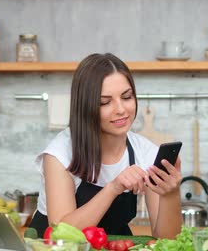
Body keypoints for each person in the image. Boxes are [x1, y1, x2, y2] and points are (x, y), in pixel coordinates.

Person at [29, 53, 183, 239]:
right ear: (86, 107)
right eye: (105, 102)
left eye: (126, 97)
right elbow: (61, 235)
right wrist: (113, 188)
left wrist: (171, 193)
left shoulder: (144, 152)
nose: (120, 109)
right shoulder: (59, 154)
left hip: (111, 249)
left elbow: (167, 240)